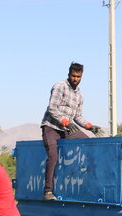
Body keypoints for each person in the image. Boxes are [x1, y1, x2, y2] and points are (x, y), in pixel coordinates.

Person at [41, 62, 98, 200]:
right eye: (73, 76)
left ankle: (87, 184)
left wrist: (89, 126)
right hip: (52, 127)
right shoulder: (59, 87)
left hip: (67, 129)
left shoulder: (80, 95)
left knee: (89, 145)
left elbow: (77, 116)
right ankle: (48, 191)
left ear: (81, 77)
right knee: (53, 156)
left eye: (78, 76)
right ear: (69, 74)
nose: (75, 79)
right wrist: (65, 121)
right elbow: (52, 108)